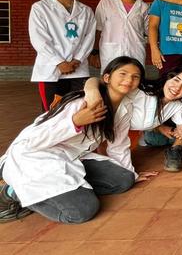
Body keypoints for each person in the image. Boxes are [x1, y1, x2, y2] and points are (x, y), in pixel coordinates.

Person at [0, 57, 152, 224]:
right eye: (123, 74)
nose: (129, 80)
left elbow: (118, 145)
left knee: (124, 179)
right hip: (37, 157)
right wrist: (74, 122)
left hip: (72, 157)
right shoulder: (80, 103)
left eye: (135, 77)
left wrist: (131, 173)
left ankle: (70, 189)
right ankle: (14, 191)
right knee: (82, 211)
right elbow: (33, 140)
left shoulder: (125, 107)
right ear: (107, 77)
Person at [29, 0, 96, 110]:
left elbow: (89, 38)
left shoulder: (86, 10)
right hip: (51, 70)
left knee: (78, 109)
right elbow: (39, 39)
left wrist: (78, 59)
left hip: (78, 69)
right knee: (52, 111)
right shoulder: (40, 8)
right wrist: (59, 62)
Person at [91, 0, 149, 70]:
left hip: (136, 52)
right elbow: (98, 29)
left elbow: (149, 31)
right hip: (111, 53)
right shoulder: (106, 2)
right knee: (110, 76)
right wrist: (95, 52)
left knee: (134, 76)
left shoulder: (143, 7)